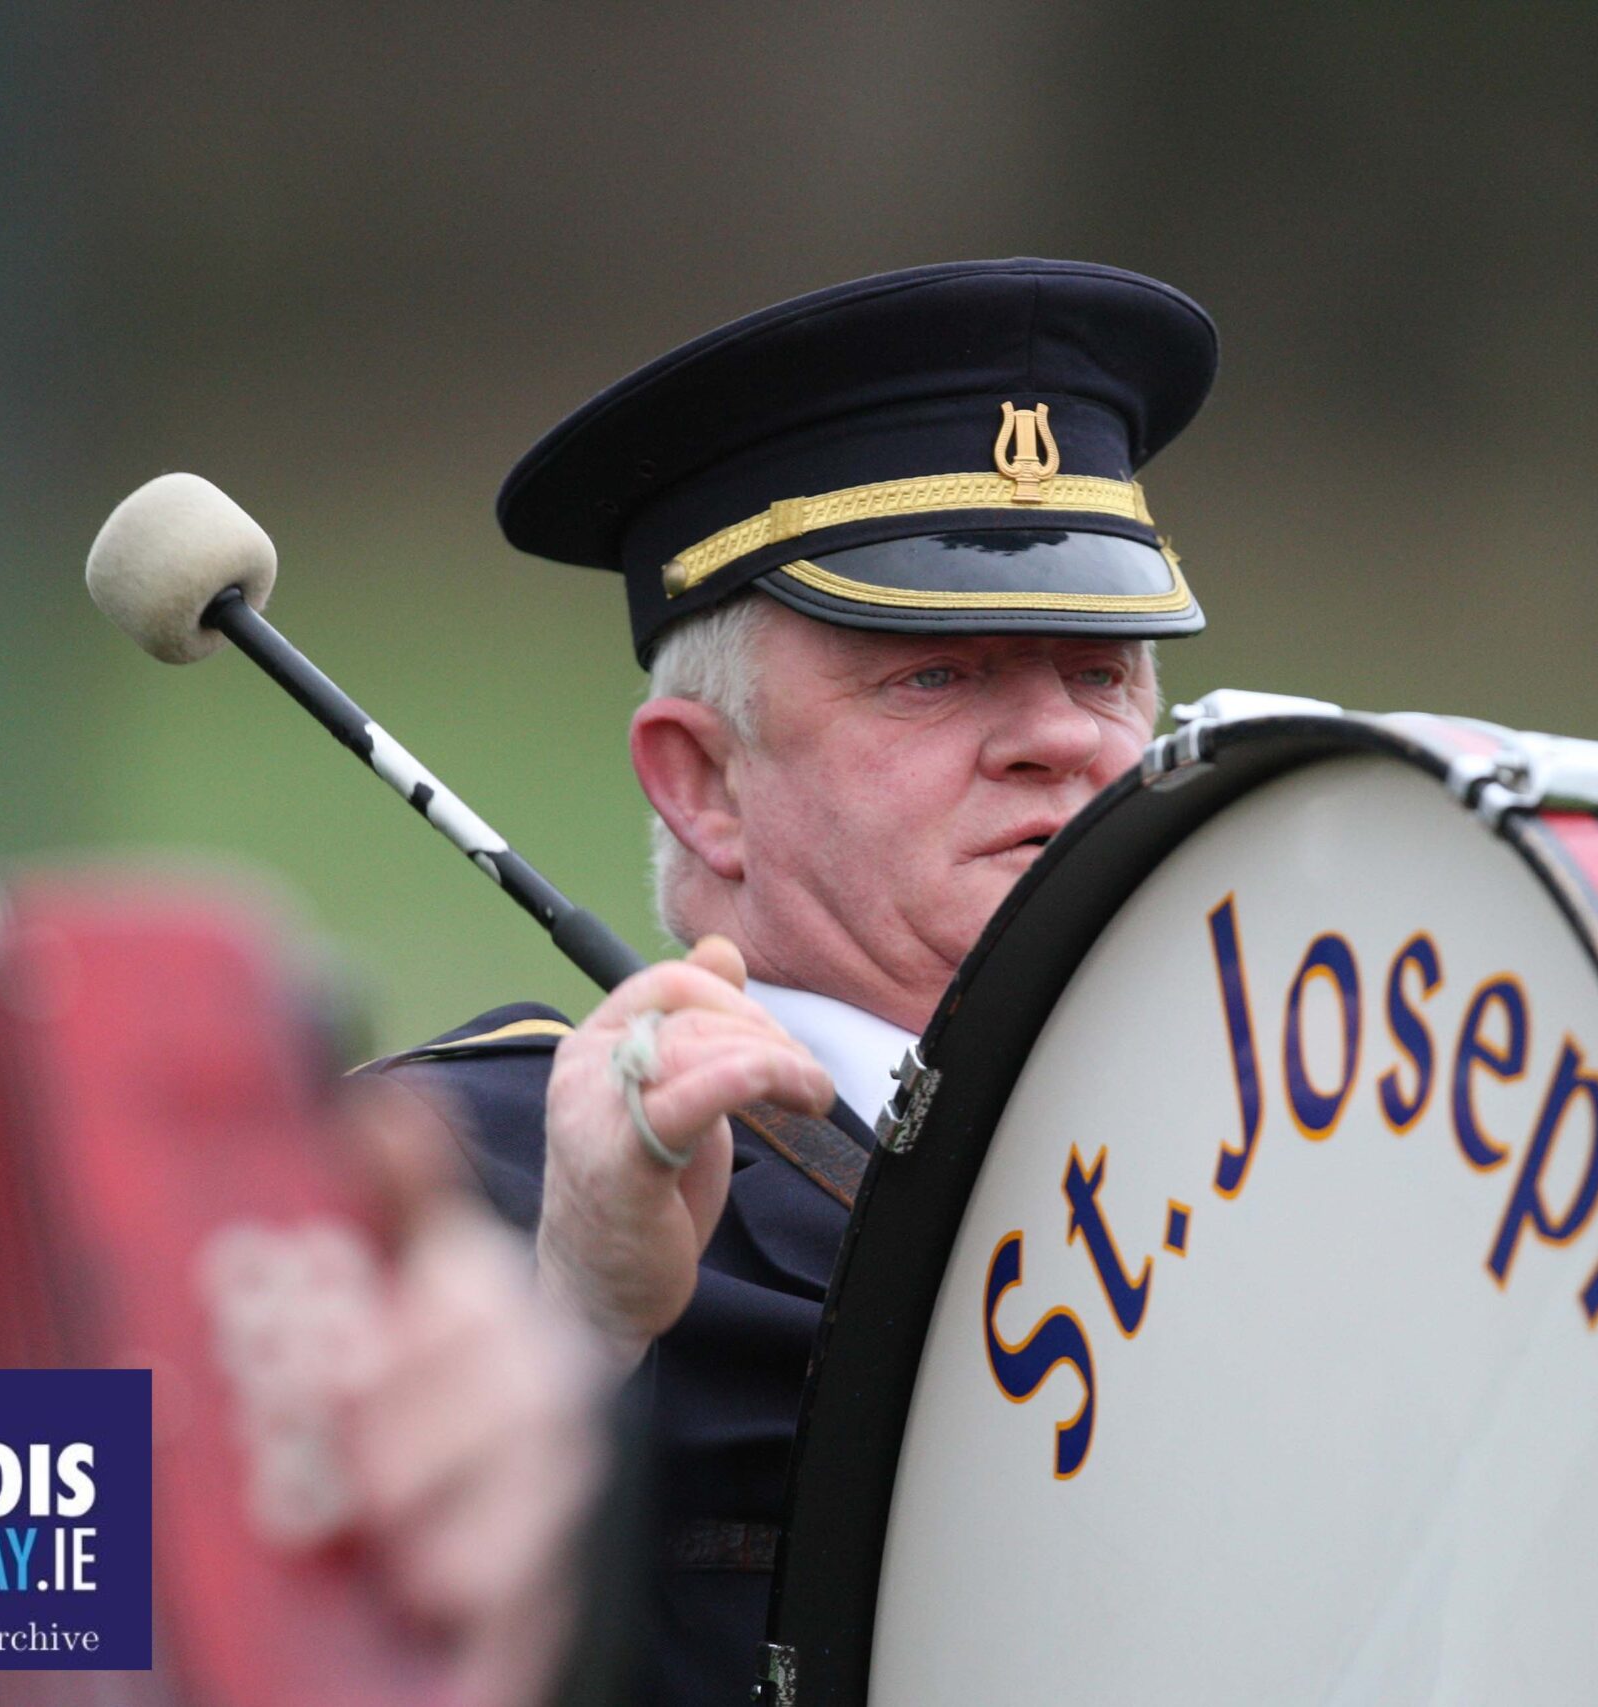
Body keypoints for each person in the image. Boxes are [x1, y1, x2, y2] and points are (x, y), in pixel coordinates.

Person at [352, 258, 1221, 1706]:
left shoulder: (1298, 1166)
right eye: (937, 677)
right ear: (703, 784)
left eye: (1102, 673)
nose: (1059, 742)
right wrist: (575, 1325)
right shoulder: (450, 1182)